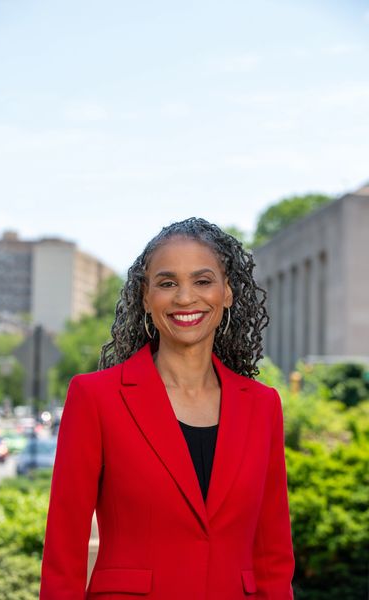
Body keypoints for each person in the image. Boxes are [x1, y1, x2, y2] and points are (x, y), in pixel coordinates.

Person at [40, 217, 295, 599]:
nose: (185, 298)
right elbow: (64, 552)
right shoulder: (96, 398)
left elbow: (272, 555)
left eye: (203, 281)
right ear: (146, 296)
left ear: (227, 293)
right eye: (167, 283)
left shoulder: (262, 406)